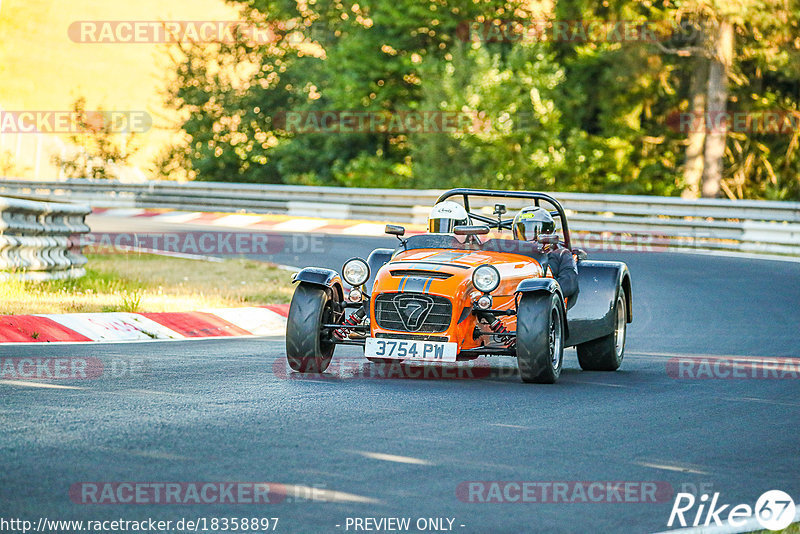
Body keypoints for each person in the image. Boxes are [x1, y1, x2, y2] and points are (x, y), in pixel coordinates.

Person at [512, 206, 578, 299]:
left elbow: (569, 284)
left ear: (548, 232)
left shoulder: (561, 254)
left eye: (534, 232)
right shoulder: (512, 255)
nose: (529, 238)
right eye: (524, 231)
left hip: (543, 303)